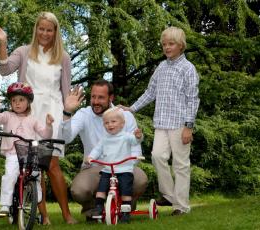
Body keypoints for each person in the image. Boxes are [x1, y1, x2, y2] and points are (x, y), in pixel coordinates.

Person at [0, 12, 76, 224]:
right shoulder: (24, 51)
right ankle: (43, 215)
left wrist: (66, 116)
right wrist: (3, 42)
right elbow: (4, 69)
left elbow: (66, 91)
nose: (44, 33)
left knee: (52, 164)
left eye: (49, 29)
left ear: (55, 32)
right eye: (41, 28)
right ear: (36, 29)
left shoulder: (63, 57)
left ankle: (67, 214)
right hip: (28, 113)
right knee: (34, 167)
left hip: (51, 114)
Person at [118, 26, 200, 216]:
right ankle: (169, 195)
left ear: (181, 46)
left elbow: (193, 98)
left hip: (180, 124)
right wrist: (131, 108)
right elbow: (150, 93)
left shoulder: (188, 69)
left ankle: (181, 206)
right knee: (157, 156)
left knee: (180, 164)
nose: (167, 47)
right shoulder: (161, 67)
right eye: (164, 44)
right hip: (161, 124)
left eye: (171, 44)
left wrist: (189, 126)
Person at [59, 79, 148, 221]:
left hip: (123, 166)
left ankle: (126, 202)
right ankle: (93, 208)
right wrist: (67, 112)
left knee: (141, 179)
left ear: (110, 98)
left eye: (101, 97)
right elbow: (65, 138)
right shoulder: (84, 114)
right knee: (79, 190)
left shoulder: (125, 115)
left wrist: (124, 170)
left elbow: (135, 147)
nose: (95, 101)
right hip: (94, 167)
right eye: (93, 97)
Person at [0, 82, 54, 215]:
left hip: (29, 154)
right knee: (10, 176)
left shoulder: (33, 119)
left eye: (21, 100)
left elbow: (45, 135)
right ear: (11, 103)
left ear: (29, 102)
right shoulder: (7, 115)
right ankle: (5, 205)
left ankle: (36, 194)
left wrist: (48, 125)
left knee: (36, 173)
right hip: (12, 154)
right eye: (14, 100)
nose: (17, 103)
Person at [85, 107, 144, 223]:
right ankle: (98, 208)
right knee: (101, 189)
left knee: (125, 190)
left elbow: (136, 141)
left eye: (113, 121)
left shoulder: (126, 136)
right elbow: (97, 149)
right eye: (106, 123)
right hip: (108, 169)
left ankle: (126, 212)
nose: (109, 125)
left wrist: (138, 136)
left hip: (124, 169)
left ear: (122, 124)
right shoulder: (104, 139)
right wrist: (91, 157)